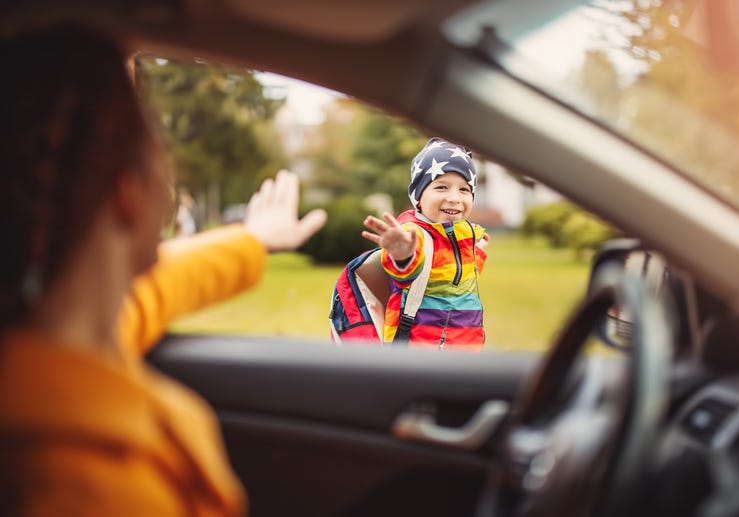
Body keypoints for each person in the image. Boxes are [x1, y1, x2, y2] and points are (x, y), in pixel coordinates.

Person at [0, 25, 327, 516]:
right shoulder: (106, 493)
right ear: (128, 195)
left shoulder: (52, 340)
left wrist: (253, 238)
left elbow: (159, 285)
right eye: (156, 141)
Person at [362, 137, 489, 351]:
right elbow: (405, 271)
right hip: (419, 351)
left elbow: (459, 279)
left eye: (464, 190)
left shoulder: (465, 234)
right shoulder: (414, 233)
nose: (454, 197)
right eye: (441, 187)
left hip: (466, 348)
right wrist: (402, 255)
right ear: (419, 197)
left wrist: (477, 253)